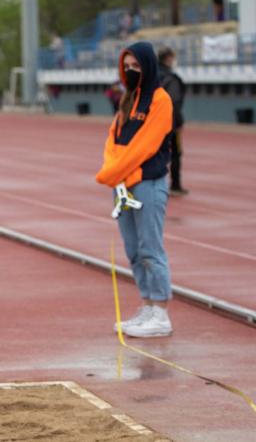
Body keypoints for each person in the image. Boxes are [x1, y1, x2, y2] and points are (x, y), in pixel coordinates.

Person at [95, 42, 174, 338]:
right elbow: (113, 141)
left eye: (136, 66)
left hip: (148, 184)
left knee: (151, 249)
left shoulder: (160, 100)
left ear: (148, 66)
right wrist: (112, 172)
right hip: (122, 186)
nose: (130, 71)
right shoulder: (127, 99)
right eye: (126, 66)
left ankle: (161, 311)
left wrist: (112, 172)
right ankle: (147, 304)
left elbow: (145, 146)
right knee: (133, 250)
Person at [158, 47, 188, 196]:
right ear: (168, 58)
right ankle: (175, 184)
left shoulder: (153, 76)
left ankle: (154, 183)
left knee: (155, 153)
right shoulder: (171, 78)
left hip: (153, 123)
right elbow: (174, 102)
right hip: (170, 122)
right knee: (175, 152)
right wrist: (178, 122)